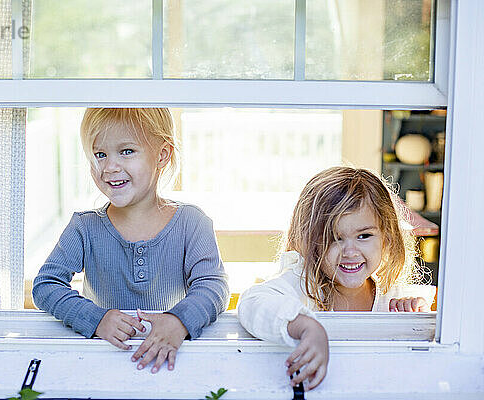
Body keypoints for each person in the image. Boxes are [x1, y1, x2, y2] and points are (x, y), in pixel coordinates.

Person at [33, 108, 229, 373]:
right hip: (102, 362)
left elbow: (213, 287)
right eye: (100, 154)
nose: (110, 167)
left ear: (162, 155)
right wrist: (96, 319)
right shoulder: (84, 227)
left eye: (126, 151)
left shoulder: (192, 223)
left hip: (172, 361)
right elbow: (46, 285)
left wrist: (178, 322)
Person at [237, 166, 436, 390]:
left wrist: (414, 317)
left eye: (364, 235)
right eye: (334, 238)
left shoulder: (392, 296)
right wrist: (305, 327)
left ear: (386, 238)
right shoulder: (303, 284)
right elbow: (252, 302)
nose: (350, 251)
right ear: (309, 242)